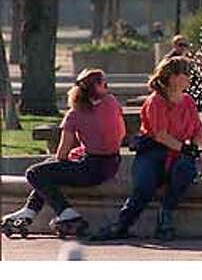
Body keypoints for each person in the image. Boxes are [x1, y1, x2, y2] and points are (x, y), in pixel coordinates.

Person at [92, 57, 202, 241]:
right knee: (144, 189)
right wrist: (189, 151)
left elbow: (197, 131)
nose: (190, 78)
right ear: (174, 77)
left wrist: (195, 148)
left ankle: (165, 216)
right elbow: (161, 135)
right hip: (153, 152)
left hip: (178, 154)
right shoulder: (156, 101)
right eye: (187, 74)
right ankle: (121, 225)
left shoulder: (188, 101)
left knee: (186, 169)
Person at [1, 69, 125, 238]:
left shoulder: (74, 114)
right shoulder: (112, 103)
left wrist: (75, 154)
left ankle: (67, 213)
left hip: (90, 168)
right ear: (97, 87)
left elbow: (62, 154)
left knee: (35, 172)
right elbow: (121, 134)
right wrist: (81, 152)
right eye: (105, 84)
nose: (108, 88)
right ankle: (28, 212)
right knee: (48, 169)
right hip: (111, 164)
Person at [162, 34, 202, 110]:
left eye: (185, 45)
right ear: (175, 46)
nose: (183, 47)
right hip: (175, 84)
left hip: (186, 82)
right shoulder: (169, 59)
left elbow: (194, 73)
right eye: (180, 45)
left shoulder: (189, 57)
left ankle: (194, 108)